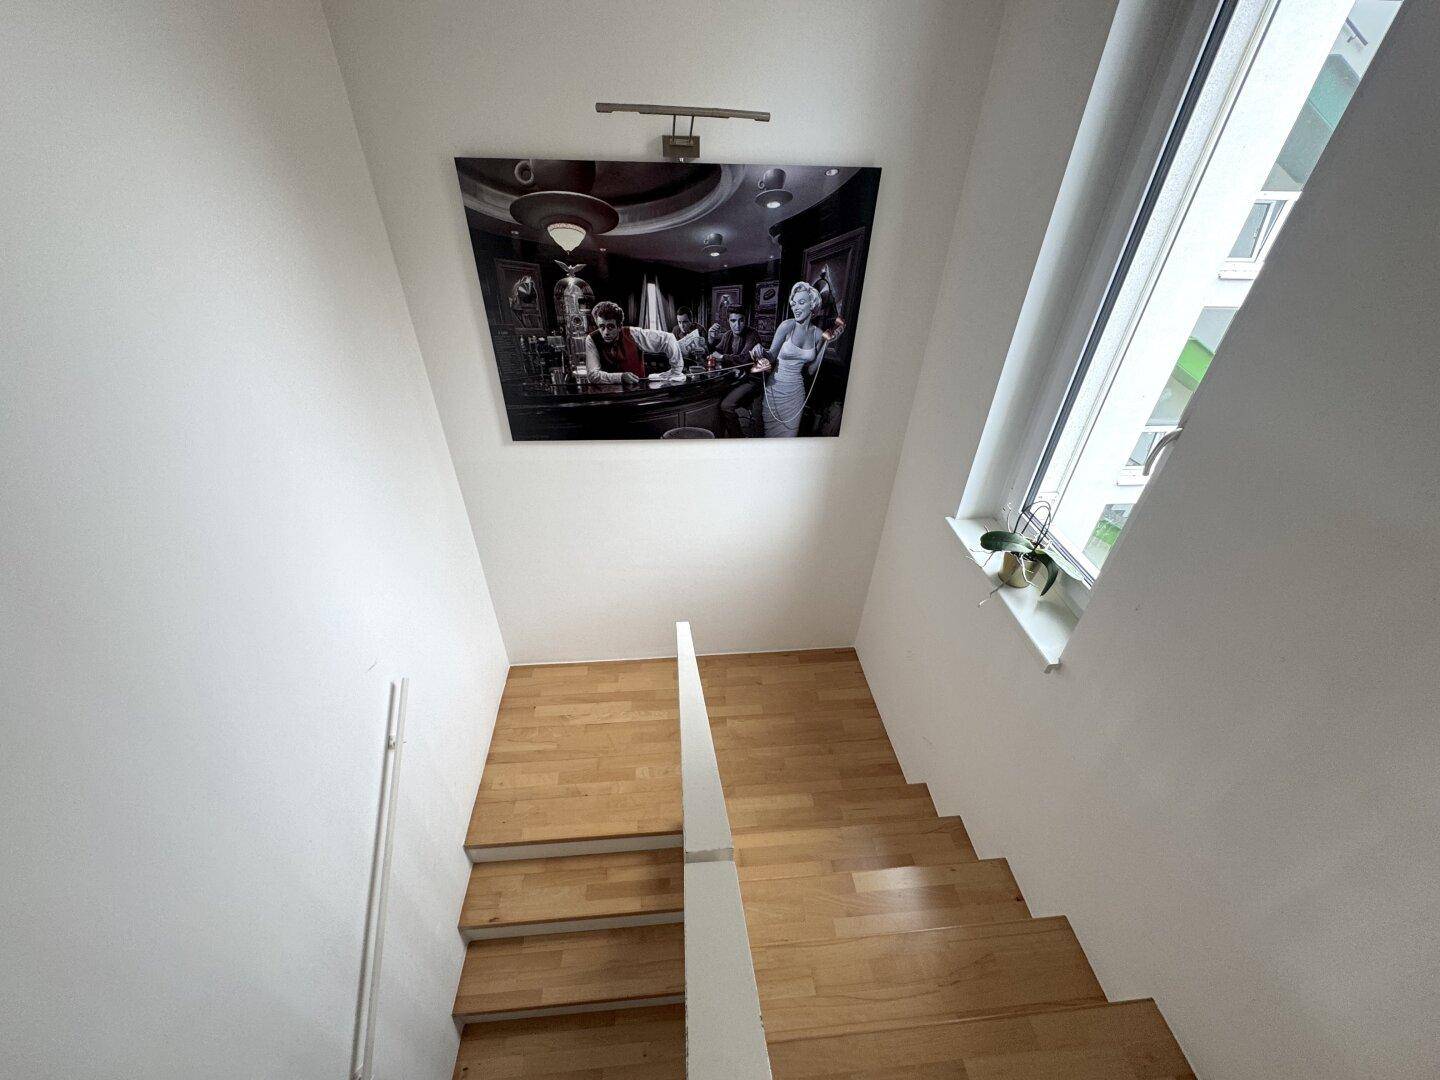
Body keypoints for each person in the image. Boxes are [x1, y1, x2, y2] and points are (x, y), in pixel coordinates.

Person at [750, 282, 845, 437]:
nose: (796, 307)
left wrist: (826, 343)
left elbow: (811, 370)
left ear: (812, 304)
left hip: (795, 394)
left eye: (801, 302)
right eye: (794, 304)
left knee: (789, 438)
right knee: (771, 438)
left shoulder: (817, 334)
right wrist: (760, 351)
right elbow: (771, 355)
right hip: (775, 391)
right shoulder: (787, 326)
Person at [584, 300, 684, 385]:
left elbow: (668, 338)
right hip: (607, 393)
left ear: (619, 327)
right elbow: (593, 375)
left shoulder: (633, 334)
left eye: (610, 327)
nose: (606, 332)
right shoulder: (591, 339)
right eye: (602, 327)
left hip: (638, 390)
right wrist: (620, 377)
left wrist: (676, 371)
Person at [711, 309, 765, 437]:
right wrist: (711, 339)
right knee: (714, 401)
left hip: (752, 380)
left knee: (726, 405)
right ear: (728, 321)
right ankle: (721, 436)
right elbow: (715, 352)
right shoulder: (727, 335)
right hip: (735, 379)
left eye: (741, 321)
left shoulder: (753, 334)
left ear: (745, 321)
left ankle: (738, 439)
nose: (737, 325)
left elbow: (745, 358)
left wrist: (722, 357)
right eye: (733, 321)